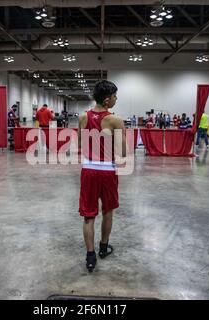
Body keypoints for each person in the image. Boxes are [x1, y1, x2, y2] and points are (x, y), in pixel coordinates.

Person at [78, 80, 126, 272]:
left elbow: (81, 144)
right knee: (107, 211)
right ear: (107, 100)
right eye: (115, 96)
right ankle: (103, 248)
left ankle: (90, 256)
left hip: (89, 169)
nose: (116, 99)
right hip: (107, 170)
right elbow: (122, 151)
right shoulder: (115, 120)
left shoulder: (83, 117)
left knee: (88, 216)